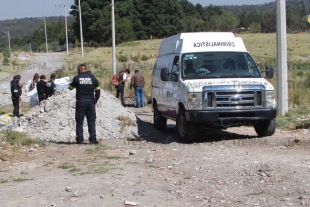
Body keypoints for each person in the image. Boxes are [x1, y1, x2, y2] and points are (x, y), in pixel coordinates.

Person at [69, 64, 101, 144]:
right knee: (91, 121)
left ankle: (79, 139)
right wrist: (95, 100)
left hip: (81, 102)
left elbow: (70, 88)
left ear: (79, 70)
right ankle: (93, 140)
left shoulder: (77, 78)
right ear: (85, 69)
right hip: (90, 101)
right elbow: (98, 90)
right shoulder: (93, 78)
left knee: (79, 121)